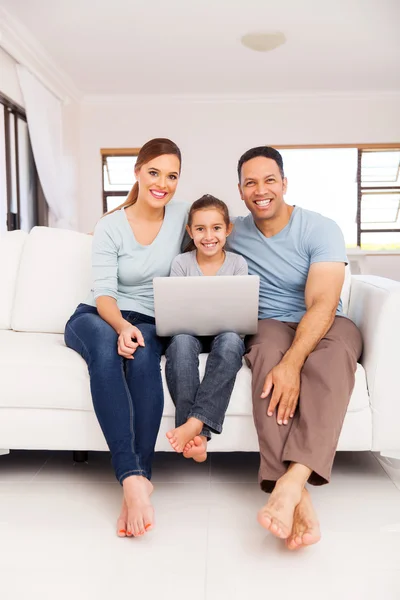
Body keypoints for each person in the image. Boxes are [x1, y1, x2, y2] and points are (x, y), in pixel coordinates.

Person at [227, 146, 362, 550]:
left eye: (269, 180)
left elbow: (322, 303)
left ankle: (290, 482)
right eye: (250, 182)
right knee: (266, 356)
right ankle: (297, 496)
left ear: (284, 184)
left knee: (335, 358)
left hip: (324, 319)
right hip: (268, 324)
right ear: (240, 190)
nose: (261, 189)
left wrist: (294, 362)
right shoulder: (231, 231)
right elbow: (174, 223)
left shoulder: (320, 228)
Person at [64, 138, 188, 538]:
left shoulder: (184, 216)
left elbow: (222, 225)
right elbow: (104, 294)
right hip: (99, 315)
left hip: (151, 320)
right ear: (137, 172)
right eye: (154, 172)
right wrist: (121, 327)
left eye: (172, 176)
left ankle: (140, 480)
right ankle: (131, 477)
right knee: (105, 352)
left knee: (144, 358)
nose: (162, 183)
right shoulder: (111, 226)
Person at [165, 194, 247, 462]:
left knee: (232, 341)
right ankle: (198, 435)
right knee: (181, 343)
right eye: (200, 229)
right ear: (190, 231)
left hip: (226, 332)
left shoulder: (237, 264)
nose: (208, 236)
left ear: (228, 230)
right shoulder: (181, 263)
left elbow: (240, 312)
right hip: (188, 332)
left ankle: (193, 426)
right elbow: (175, 310)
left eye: (216, 228)